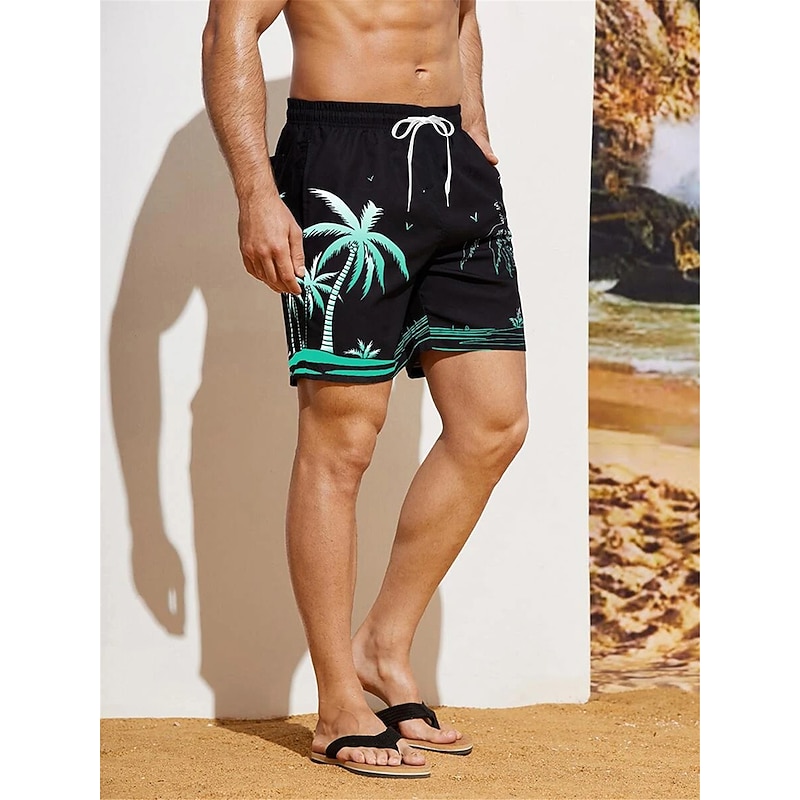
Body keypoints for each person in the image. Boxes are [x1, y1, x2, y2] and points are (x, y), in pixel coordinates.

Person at [202, 0, 528, 778]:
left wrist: (474, 124)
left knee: (494, 423)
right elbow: (229, 30)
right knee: (343, 437)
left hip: (451, 162)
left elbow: (461, 15)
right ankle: (337, 704)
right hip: (340, 158)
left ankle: (382, 644)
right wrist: (255, 191)